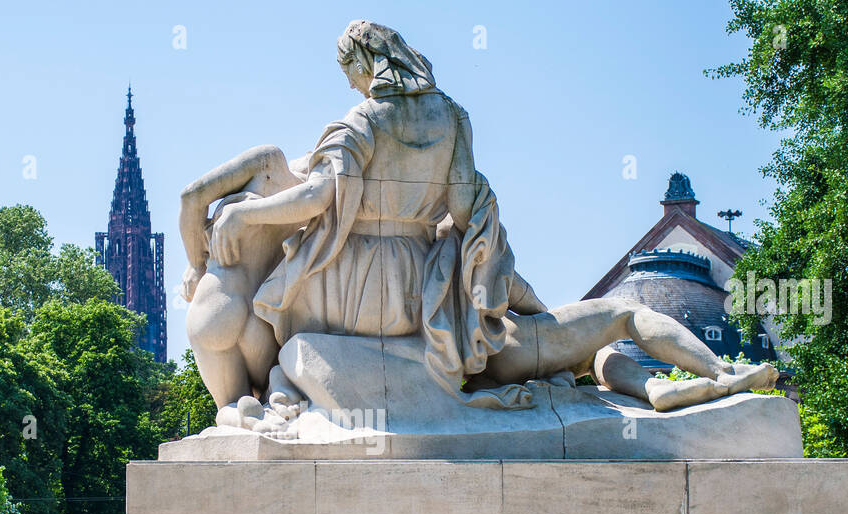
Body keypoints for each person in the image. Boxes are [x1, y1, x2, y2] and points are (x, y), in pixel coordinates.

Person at [183, 19, 778, 426]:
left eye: (351, 73)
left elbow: (320, 195)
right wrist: (483, 278)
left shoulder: (361, 121)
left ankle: (267, 395)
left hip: (349, 285)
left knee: (259, 322)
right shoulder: (453, 117)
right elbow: (466, 213)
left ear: (367, 64)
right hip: (423, 290)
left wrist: (246, 213)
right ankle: (711, 374)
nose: (352, 85)